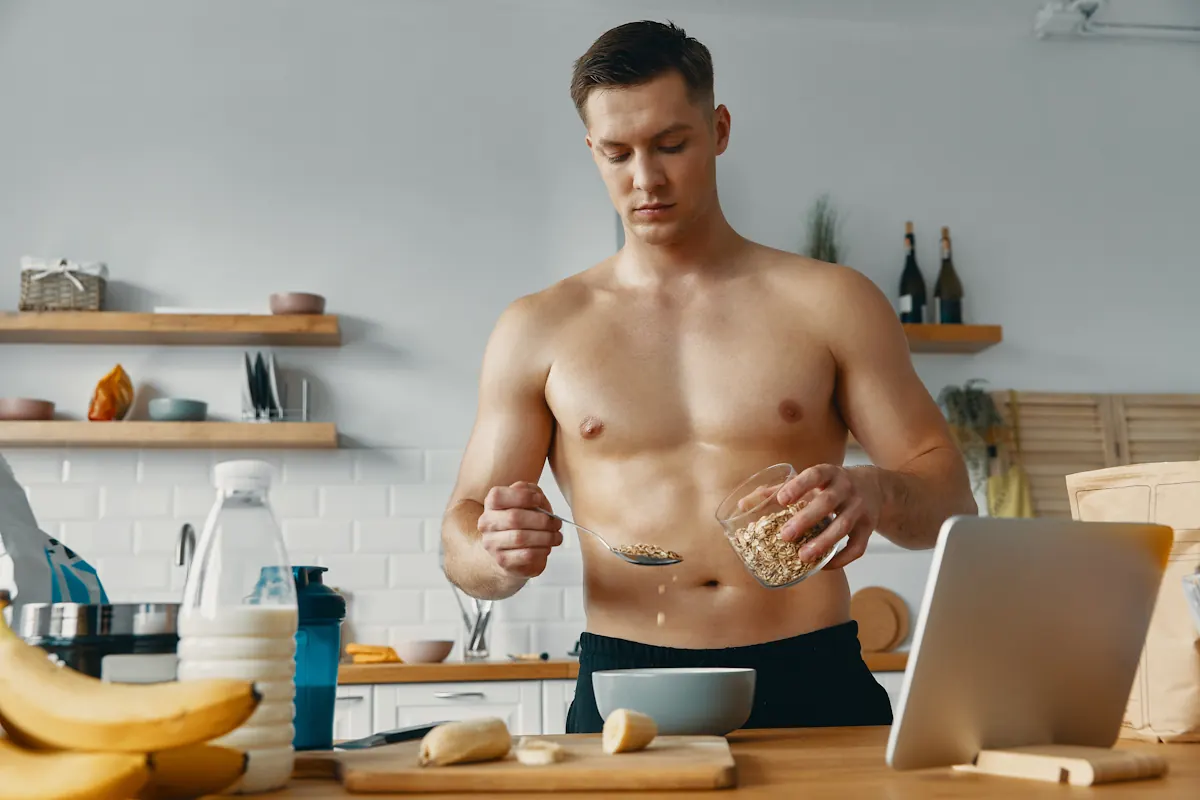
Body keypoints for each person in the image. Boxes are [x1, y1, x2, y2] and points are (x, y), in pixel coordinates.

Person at [440, 20, 976, 733]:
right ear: (591, 151)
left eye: (671, 144)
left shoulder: (832, 302)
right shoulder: (539, 328)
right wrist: (495, 555)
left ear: (718, 129)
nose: (646, 179)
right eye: (617, 153)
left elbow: (949, 504)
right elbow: (461, 533)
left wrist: (876, 492)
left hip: (813, 673)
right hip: (627, 682)